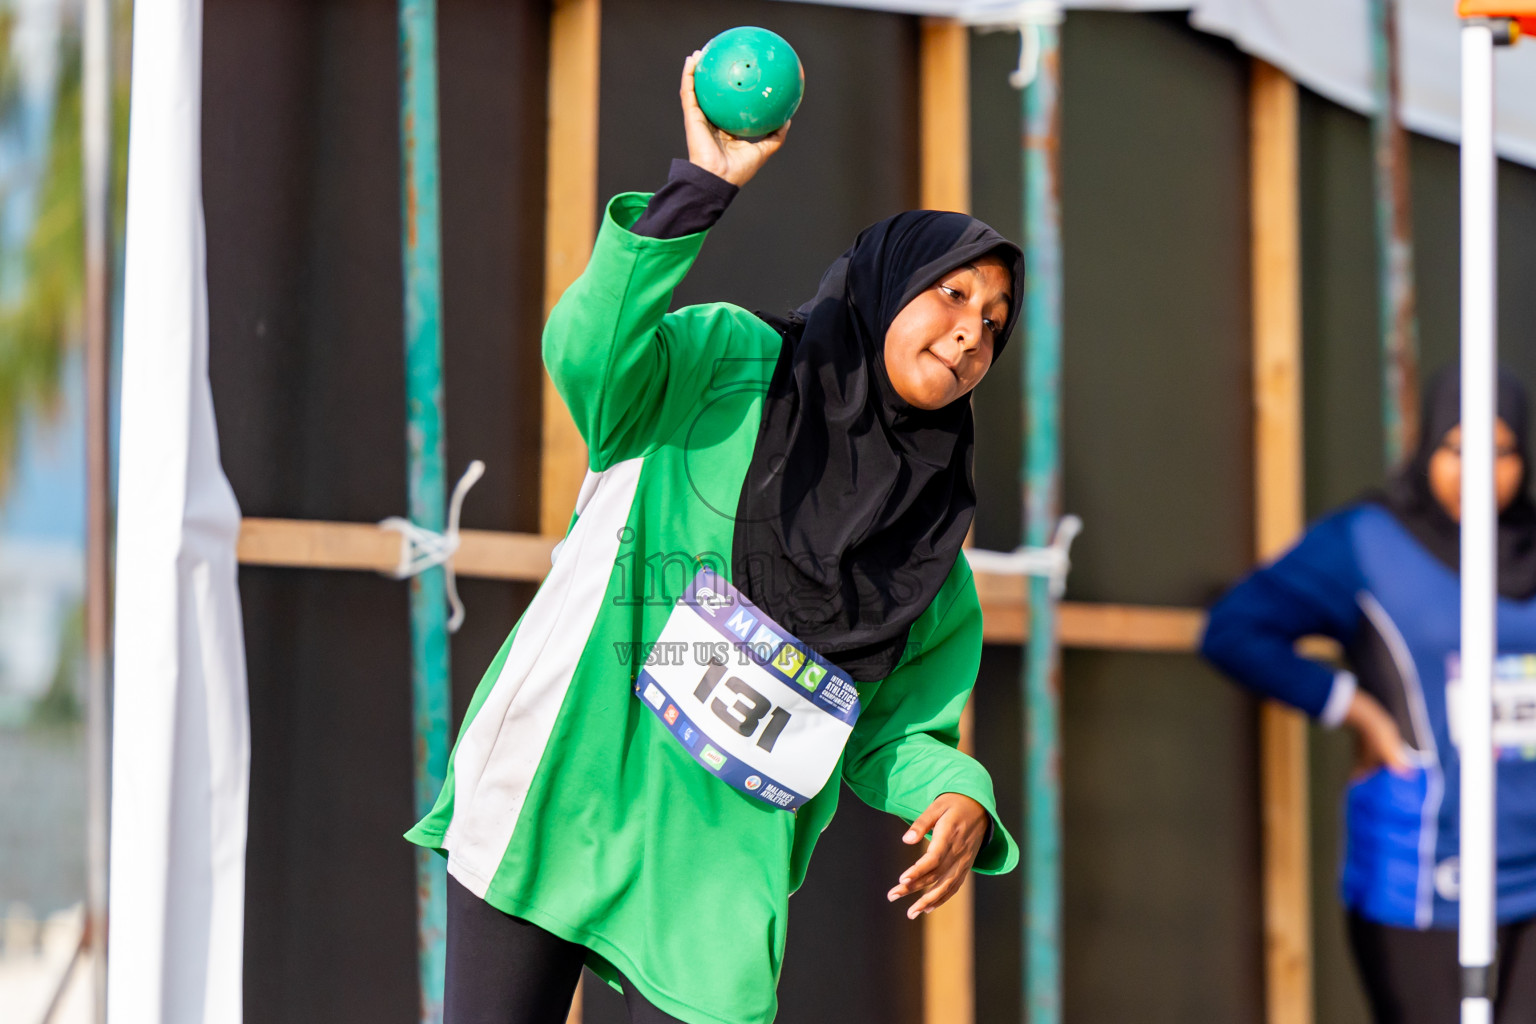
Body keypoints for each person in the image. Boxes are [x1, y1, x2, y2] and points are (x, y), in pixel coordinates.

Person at [406, 50, 1022, 1024]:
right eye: (951, 293)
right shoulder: (730, 358)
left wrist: (956, 792)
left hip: (717, 867)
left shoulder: (929, 549)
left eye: (995, 322)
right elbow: (592, 366)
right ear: (887, 281)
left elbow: (899, 729)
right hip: (564, 781)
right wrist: (696, 191)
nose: (970, 333)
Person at [1202, 366, 1536, 1023]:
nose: (1477, 473)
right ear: (1427, 448)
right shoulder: (1368, 542)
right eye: (1457, 450)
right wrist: (1355, 709)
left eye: (1500, 453)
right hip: (1422, 866)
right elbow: (1234, 630)